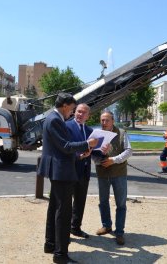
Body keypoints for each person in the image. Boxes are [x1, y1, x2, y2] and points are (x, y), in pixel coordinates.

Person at [38, 93, 98, 264]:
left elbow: (59, 149)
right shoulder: (55, 120)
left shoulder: (52, 118)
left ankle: (50, 244)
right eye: (72, 109)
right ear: (65, 105)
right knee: (63, 213)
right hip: (61, 172)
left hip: (59, 169)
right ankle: (60, 254)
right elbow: (65, 146)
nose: (72, 113)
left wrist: (79, 156)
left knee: (54, 209)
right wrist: (88, 144)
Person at [92, 110, 132, 246]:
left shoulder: (121, 133)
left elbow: (128, 151)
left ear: (113, 121)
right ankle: (106, 225)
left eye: (107, 120)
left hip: (118, 173)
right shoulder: (97, 135)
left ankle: (119, 232)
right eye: (102, 120)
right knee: (103, 201)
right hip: (102, 174)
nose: (104, 123)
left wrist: (113, 160)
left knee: (121, 204)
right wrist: (99, 159)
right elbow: (92, 154)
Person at [65, 103, 93, 239]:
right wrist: (79, 156)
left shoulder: (89, 131)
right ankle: (63, 231)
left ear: (88, 116)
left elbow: (95, 149)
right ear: (74, 112)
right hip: (70, 170)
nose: (80, 114)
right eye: (78, 111)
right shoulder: (66, 126)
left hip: (84, 170)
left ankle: (75, 228)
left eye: (83, 112)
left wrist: (105, 149)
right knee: (65, 203)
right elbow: (64, 148)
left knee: (80, 202)